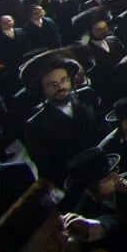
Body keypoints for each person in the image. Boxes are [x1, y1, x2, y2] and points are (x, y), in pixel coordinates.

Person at [20, 48, 107, 182]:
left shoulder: (87, 96)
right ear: (42, 89)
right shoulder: (36, 124)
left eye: (64, 80)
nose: (61, 87)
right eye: (53, 84)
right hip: (77, 179)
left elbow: (104, 128)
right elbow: (47, 167)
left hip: (105, 164)